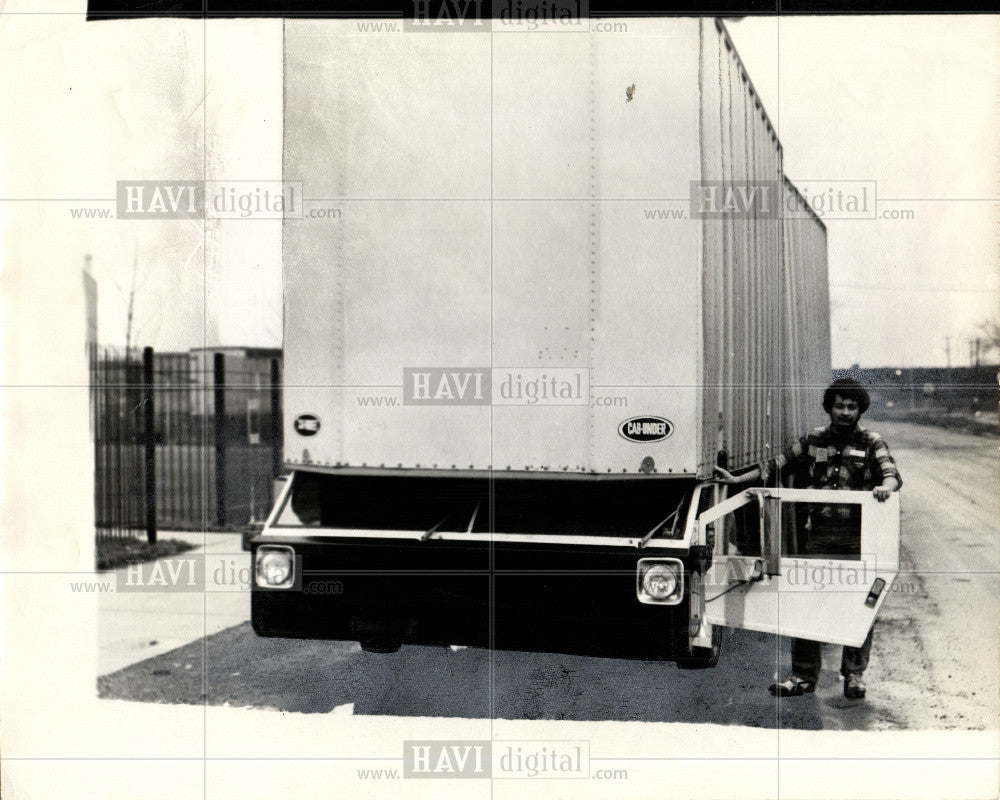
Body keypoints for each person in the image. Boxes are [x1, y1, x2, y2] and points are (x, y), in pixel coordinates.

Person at [715, 378, 901, 700]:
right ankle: (802, 676)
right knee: (805, 600)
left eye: (851, 407)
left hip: (857, 538)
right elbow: (775, 465)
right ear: (830, 407)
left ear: (860, 410)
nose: (845, 412)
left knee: (859, 603)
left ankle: (854, 675)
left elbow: (892, 474)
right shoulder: (813, 439)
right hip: (820, 535)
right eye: (839, 405)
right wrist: (736, 479)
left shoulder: (872, 441)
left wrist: (885, 487)